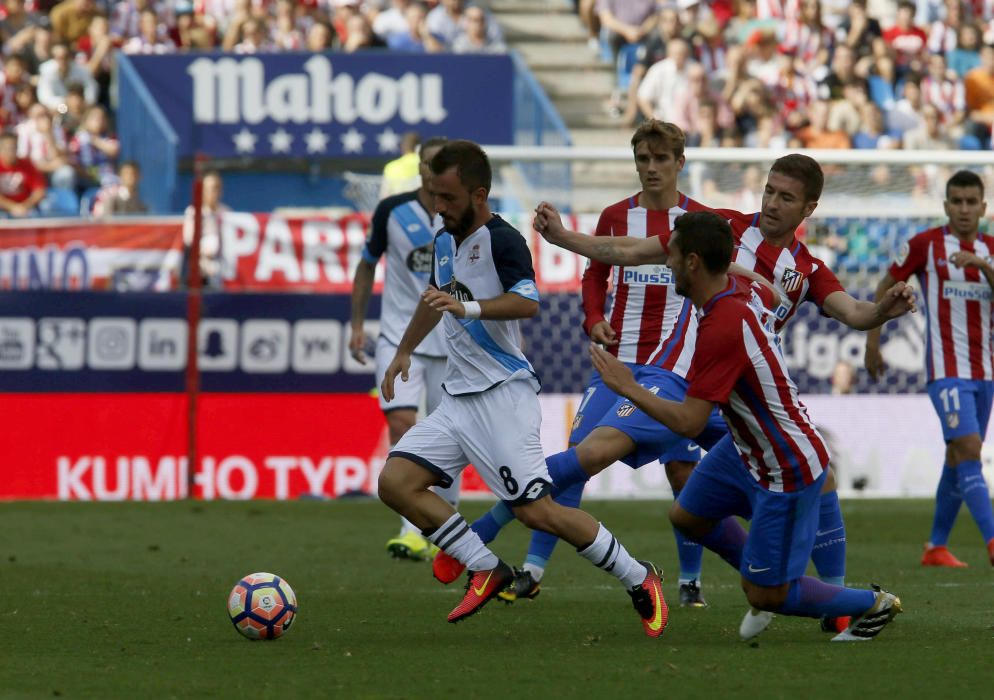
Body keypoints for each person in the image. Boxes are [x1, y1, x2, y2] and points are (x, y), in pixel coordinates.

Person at [508, 154, 918, 640]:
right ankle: (777, 581)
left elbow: (853, 311)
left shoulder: (805, 270)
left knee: (813, 477)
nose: (771, 203)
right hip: (689, 383)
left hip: (734, 400)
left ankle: (829, 599)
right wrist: (564, 239)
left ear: (809, 208)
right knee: (687, 510)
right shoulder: (720, 230)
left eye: (786, 198)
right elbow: (632, 250)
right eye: (768, 191)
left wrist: (882, 312)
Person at [377, 140, 667, 635]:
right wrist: (404, 349)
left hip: (503, 395)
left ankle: (640, 577)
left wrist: (469, 309)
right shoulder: (443, 237)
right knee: (395, 483)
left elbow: (527, 302)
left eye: (447, 198)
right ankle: (485, 567)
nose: (439, 207)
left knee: (538, 512)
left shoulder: (502, 240)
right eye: (433, 196)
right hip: (458, 400)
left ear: (479, 193)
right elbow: (435, 298)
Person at [578, 210, 904, 643]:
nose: (667, 264)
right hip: (746, 446)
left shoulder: (722, 324)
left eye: (672, 257)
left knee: (767, 594)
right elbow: (747, 279)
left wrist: (628, 387)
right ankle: (770, 567)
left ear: (693, 263)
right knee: (688, 516)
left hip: (783, 463)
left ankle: (872, 604)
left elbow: (691, 422)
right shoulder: (725, 297)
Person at [433, 120, 721, 608]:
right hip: (617, 357)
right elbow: (596, 274)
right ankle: (533, 570)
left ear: (679, 163)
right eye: (643, 160)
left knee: (681, 473)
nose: (651, 169)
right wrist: (593, 320)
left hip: (674, 368)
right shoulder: (614, 215)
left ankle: (690, 582)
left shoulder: (701, 222)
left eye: (660, 160)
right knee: (578, 458)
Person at [866, 170, 994, 569]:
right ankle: (992, 542)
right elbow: (885, 284)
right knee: (969, 449)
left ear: (983, 207)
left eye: (971, 202)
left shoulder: (991, 248)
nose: (964, 209)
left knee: (958, 456)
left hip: (986, 372)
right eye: (956, 201)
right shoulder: (925, 244)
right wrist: (873, 340)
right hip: (945, 370)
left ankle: (936, 546)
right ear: (945, 205)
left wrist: (982, 266)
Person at [351, 136, 462, 562]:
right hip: (399, 340)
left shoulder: (463, 216)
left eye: (442, 164)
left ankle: (445, 524)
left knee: (452, 437)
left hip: (452, 345)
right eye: (429, 164)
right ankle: (412, 528)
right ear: (419, 167)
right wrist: (358, 324)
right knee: (402, 424)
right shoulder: (391, 212)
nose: (434, 172)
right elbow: (366, 265)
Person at [182, 169, 229, 288]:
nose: (213, 192)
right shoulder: (192, 212)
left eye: (216, 188)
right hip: (201, 270)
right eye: (209, 188)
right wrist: (210, 249)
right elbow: (189, 240)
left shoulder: (227, 212)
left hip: (225, 267)